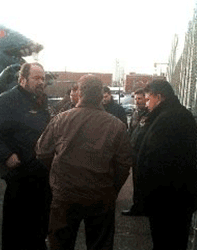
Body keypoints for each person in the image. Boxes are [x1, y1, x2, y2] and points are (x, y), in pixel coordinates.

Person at [36, 74, 133, 250]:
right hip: (101, 194)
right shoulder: (117, 125)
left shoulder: (60, 119)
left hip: (65, 194)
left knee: (60, 243)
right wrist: (112, 189)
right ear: (100, 96)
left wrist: (57, 177)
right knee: (100, 243)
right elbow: (124, 164)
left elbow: (42, 152)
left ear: (80, 93)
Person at [0, 62, 52, 250]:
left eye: (43, 78)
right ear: (22, 80)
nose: (41, 82)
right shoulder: (6, 101)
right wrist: (7, 156)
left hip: (42, 177)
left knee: (39, 230)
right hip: (20, 178)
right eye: (36, 78)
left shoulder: (41, 101)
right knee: (16, 234)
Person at [134, 80, 197, 250]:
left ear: (159, 97)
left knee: (167, 242)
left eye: (148, 99)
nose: (146, 104)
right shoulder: (172, 115)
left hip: (169, 202)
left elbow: (159, 161)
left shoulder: (169, 119)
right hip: (173, 199)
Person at [122, 88, 148, 216]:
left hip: (144, 153)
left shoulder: (150, 114)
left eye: (140, 99)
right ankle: (137, 206)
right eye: (136, 99)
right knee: (136, 180)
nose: (137, 101)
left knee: (144, 181)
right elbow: (132, 131)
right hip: (135, 152)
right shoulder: (136, 113)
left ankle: (143, 207)